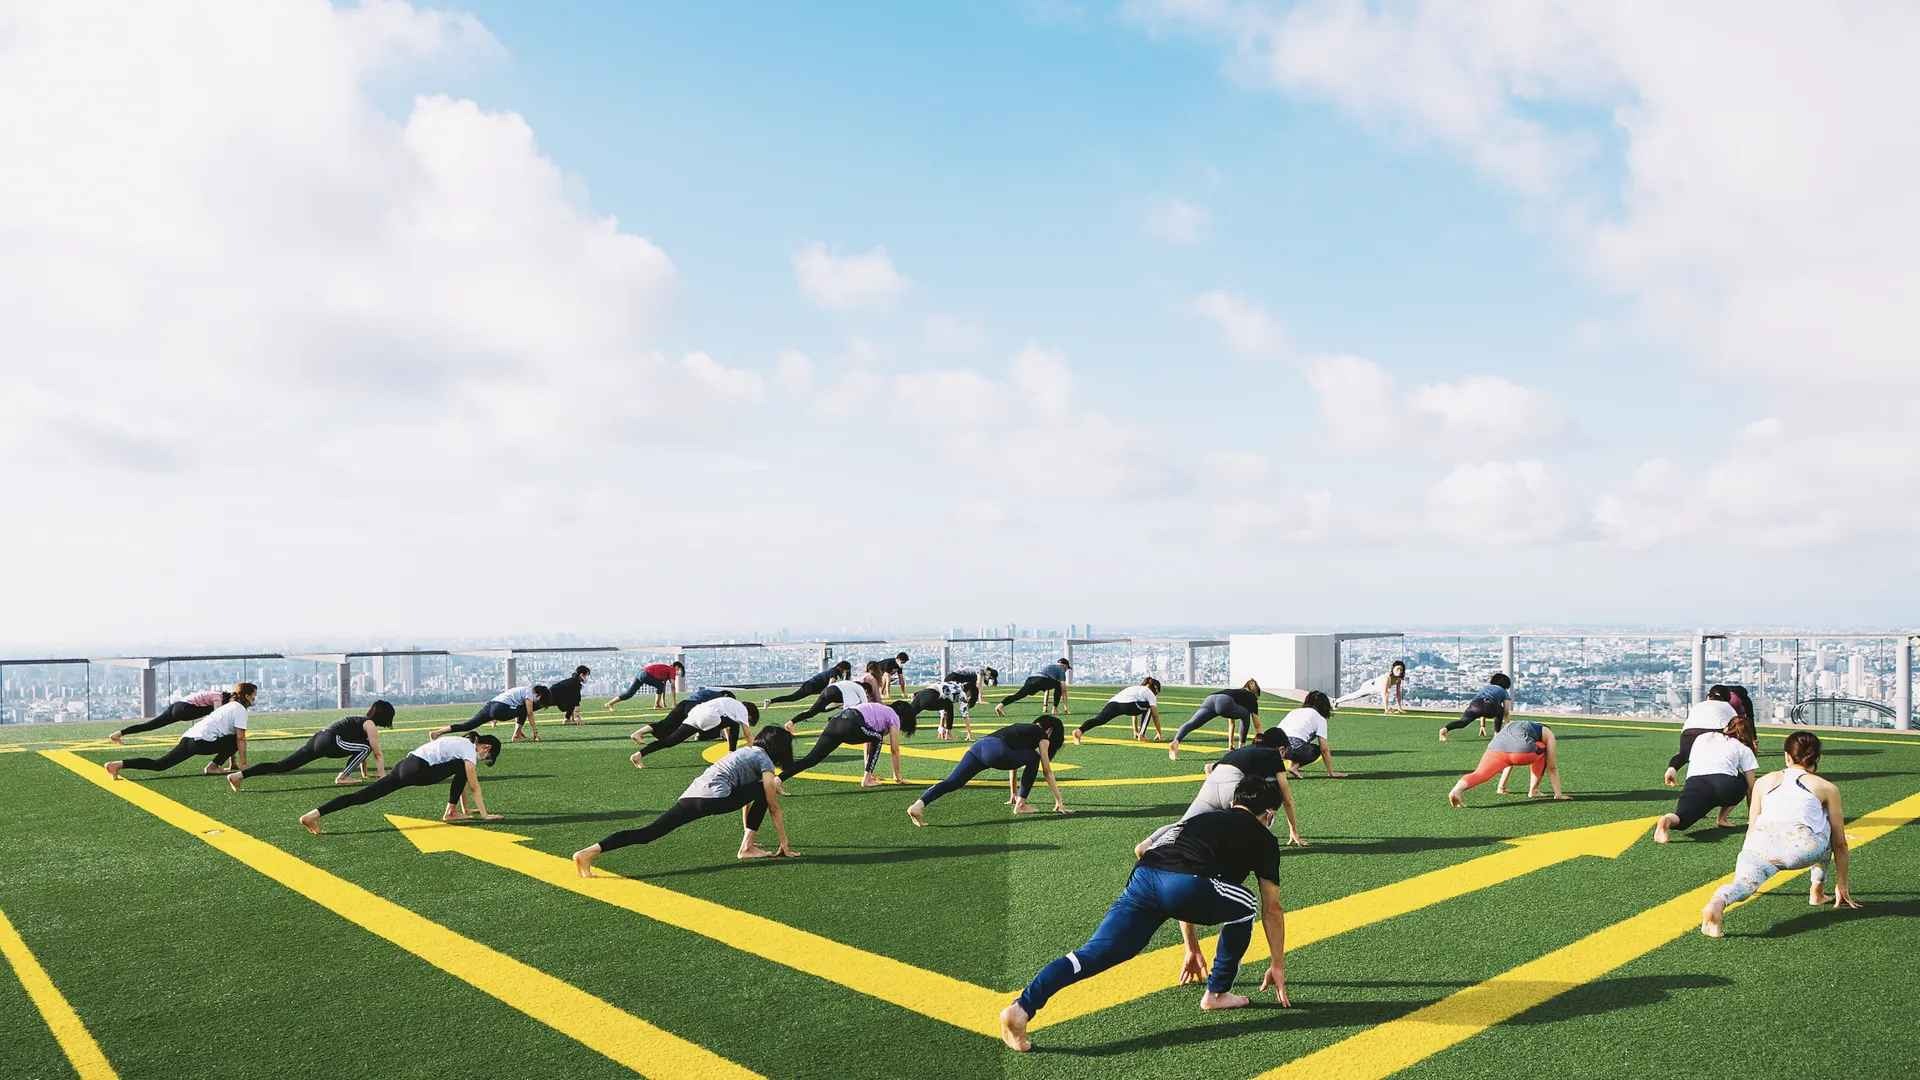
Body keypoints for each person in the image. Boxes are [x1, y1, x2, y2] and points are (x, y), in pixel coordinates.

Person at [997, 775, 1291, 1053]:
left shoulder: (1201, 817)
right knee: (1246, 905)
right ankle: (1217, 993)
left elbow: (1148, 852)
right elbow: (1272, 907)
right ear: (1268, 812)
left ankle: (1021, 1008)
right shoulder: (1263, 838)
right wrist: (1277, 963)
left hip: (1145, 876)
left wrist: (1190, 945)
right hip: (1184, 882)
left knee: (1094, 953)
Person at [573, 728, 798, 876]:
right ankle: (747, 848)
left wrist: (748, 832)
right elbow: (773, 806)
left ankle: (587, 853)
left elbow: (745, 799)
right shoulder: (764, 760)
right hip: (715, 799)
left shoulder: (745, 753)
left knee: (649, 832)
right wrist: (784, 844)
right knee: (767, 788)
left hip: (693, 795)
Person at [1701, 731, 1861, 938]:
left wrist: (1747, 859)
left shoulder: (1763, 781)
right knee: (1827, 825)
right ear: (1817, 758)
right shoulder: (1826, 787)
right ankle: (1817, 891)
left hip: (1760, 845)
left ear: (1787, 756)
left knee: (1743, 885)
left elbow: (1753, 824)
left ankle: (1718, 901)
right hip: (1801, 849)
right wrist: (1842, 884)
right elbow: (1840, 843)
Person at [298, 733, 501, 835]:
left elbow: (462, 779)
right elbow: (473, 785)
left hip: (405, 766)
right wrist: (484, 814)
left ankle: (313, 815)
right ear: (485, 747)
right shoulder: (468, 750)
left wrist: (465, 808)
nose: (482, 759)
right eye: (486, 757)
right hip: (419, 770)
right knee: (462, 767)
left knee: (361, 796)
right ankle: (451, 812)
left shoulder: (458, 743)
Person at [1142, 729, 1307, 849]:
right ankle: (1250, 849)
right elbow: (1287, 798)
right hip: (1234, 788)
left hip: (1211, 786)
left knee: (1183, 824)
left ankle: (1147, 845)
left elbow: (1209, 768)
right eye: (1284, 753)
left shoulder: (1243, 750)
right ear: (1281, 748)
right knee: (1265, 812)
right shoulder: (1273, 754)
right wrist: (1293, 830)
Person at [907, 716, 1070, 823]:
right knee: (1035, 758)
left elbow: (1014, 764)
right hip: (998, 751)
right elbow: (1047, 771)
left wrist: (1013, 793)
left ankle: (918, 805)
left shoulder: (1024, 730)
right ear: (1051, 731)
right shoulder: (1042, 735)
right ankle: (1021, 805)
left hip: (979, 747)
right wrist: (1059, 801)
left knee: (953, 782)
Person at [229, 700, 395, 790]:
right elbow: (376, 753)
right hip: (332, 741)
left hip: (319, 738)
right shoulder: (370, 725)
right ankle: (342, 777)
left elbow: (360, 755)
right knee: (366, 747)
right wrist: (382, 777)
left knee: (283, 765)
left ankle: (238, 776)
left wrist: (364, 774)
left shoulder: (361, 721)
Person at [105, 685, 257, 779]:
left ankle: (117, 764)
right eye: (254, 696)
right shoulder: (238, 709)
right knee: (235, 739)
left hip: (189, 736)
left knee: (160, 764)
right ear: (247, 696)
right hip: (199, 737)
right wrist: (243, 764)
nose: (254, 699)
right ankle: (213, 767)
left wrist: (234, 763)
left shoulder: (225, 707)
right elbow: (240, 739)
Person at [1654, 714, 1758, 842]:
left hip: (1696, 783)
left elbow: (1684, 755)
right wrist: (1752, 816)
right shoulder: (1744, 748)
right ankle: (1722, 818)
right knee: (1742, 780)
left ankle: (1667, 820)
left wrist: (1672, 768)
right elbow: (1751, 786)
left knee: (1681, 818)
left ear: (1726, 727)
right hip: (1726, 787)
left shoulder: (1702, 737)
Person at [781, 701, 914, 787]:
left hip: (836, 721)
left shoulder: (880, 710)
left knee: (812, 759)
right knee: (878, 738)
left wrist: (868, 770)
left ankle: (778, 780)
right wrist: (897, 776)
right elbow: (894, 749)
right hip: (852, 724)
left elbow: (867, 743)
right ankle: (867, 780)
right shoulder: (894, 716)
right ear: (904, 716)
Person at [1447, 718, 1567, 805]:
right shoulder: (1547, 732)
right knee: (1542, 749)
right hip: (1523, 752)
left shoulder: (1514, 725)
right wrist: (1558, 794)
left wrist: (1501, 786)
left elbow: (1510, 761)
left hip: (1496, 747)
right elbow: (1552, 767)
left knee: (1479, 774)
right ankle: (1533, 790)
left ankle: (1456, 790)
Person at [631, 698, 758, 767]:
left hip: (696, 713)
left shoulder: (729, 703)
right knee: (735, 724)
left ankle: (639, 755)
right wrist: (753, 752)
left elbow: (726, 725)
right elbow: (747, 734)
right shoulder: (742, 710)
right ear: (749, 712)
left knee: (670, 741)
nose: (747, 720)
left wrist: (729, 738)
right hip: (709, 717)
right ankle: (731, 754)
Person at [1166, 680, 1264, 759]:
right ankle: (1241, 748)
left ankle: (1176, 741)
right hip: (1224, 702)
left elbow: (1231, 723)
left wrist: (1230, 745)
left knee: (1193, 723)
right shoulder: (1251, 697)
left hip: (1210, 698)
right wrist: (1262, 743)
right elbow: (1257, 725)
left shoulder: (1236, 693)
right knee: (1246, 714)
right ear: (1254, 693)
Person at [1664, 685, 1738, 787]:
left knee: (1684, 754)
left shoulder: (1698, 705)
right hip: (1715, 730)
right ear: (1727, 698)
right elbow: (1737, 726)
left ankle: (1672, 769)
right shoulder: (1728, 707)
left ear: (1709, 696)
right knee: (1719, 755)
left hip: (1689, 732)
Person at [108, 685, 234, 744]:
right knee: (214, 715)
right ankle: (193, 736)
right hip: (185, 709)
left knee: (151, 725)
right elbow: (217, 715)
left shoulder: (214, 694)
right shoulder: (218, 697)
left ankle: (118, 734)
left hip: (178, 706)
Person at [433, 684, 552, 742]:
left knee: (468, 725)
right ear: (539, 695)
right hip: (501, 709)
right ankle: (516, 734)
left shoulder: (524, 689)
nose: (538, 702)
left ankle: (437, 732)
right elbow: (529, 713)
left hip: (491, 705)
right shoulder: (530, 694)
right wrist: (535, 733)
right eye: (540, 700)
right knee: (525, 710)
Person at [1275, 692, 1348, 780]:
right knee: (1316, 749)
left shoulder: (1294, 711)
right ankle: (1294, 767)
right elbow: (1324, 749)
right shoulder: (1320, 718)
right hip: (1293, 748)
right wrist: (1331, 772)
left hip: (1275, 744)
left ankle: (1287, 766)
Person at [630, 687, 736, 746]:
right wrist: (728, 739)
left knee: (665, 724)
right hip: (694, 707)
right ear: (726, 696)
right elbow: (723, 722)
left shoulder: (709, 692)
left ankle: (638, 733)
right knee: (709, 725)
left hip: (684, 704)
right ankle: (698, 735)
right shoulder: (720, 699)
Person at [1073, 677, 1162, 744]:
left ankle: (1079, 731)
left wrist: (1135, 731)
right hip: (1129, 705)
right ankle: (1142, 735)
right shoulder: (1149, 693)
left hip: (1114, 703)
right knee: (1149, 709)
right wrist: (1159, 733)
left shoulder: (1135, 688)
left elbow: (1135, 713)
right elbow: (1155, 715)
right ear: (1155, 689)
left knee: (1099, 719)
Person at [786, 672, 882, 728]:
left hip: (828, 690)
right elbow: (864, 707)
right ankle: (833, 721)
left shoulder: (850, 683)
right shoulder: (860, 689)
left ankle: (791, 722)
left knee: (812, 712)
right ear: (865, 690)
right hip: (836, 694)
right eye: (867, 694)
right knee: (853, 710)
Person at [1439, 673, 1513, 740]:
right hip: (1490, 707)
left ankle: (1445, 729)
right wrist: (1507, 727)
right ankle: (1497, 734)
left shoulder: (1485, 688)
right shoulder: (1504, 691)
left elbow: (1482, 709)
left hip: (1475, 705)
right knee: (1501, 711)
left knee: (1463, 722)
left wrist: (1482, 726)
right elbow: (1506, 711)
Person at [994, 659, 1071, 716]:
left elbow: (1047, 689)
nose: (1066, 670)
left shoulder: (1050, 667)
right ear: (1064, 665)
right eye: (1067, 668)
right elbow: (1063, 689)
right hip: (1041, 680)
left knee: (1018, 695)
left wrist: (1045, 706)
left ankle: (1000, 706)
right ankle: (1055, 709)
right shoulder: (1061, 669)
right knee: (1059, 685)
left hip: (1030, 679)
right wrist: (1065, 708)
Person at [762, 661, 853, 707]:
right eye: (846, 670)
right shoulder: (834, 671)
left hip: (816, 687)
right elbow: (831, 683)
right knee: (793, 698)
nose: (846, 672)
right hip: (811, 686)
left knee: (793, 698)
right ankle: (770, 701)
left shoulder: (838, 672)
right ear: (841, 668)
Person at [909, 680, 977, 742]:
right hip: (931, 697)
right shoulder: (962, 693)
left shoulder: (953, 683)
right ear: (969, 691)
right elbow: (965, 715)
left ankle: (898, 726)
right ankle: (948, 733)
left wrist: (941, 726)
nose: (968, 698)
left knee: (907, 716)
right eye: (970, 696)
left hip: (921, 694)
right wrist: (969, 733)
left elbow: (943, 705)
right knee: (949, 705)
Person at [604, 660, 685, 711]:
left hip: (641, 673)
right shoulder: (672, 669)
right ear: (677, 667)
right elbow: (673, 687)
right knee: (660, 685)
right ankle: (656, 705)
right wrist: (674, 703)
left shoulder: (666, 670)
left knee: (629, 693)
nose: (678, 673)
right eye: (679, 670)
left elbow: (663, 688)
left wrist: (664, 703)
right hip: (646, 674)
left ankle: (610, 703)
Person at [1335, 660, 1408, 712]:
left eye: (1401, 670)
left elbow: (1398, 694)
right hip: (1369, 686)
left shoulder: (1398, 679)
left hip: (1375, 688)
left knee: (1355, 696)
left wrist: (1399, 707)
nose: (1399, 671)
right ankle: (1336, 701)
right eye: (1397, 669)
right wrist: (1386, 709)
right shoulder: (1387, 678)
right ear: (1393, 669)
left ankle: (1336, 701)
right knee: (1354, 696)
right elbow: (1384, 693)